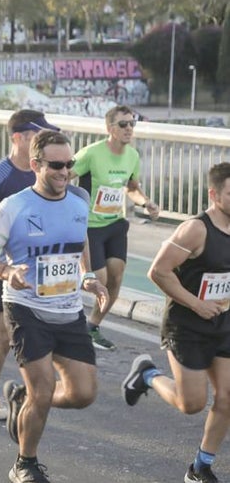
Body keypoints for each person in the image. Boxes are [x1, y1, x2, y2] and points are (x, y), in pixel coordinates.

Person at [0, 130, 108, 483]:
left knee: (83, 393)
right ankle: (25, 463)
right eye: (56, 165)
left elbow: (79, 241)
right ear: (35, 165)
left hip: (69, 310)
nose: (65, 172)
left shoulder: (79, 201)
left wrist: (88, 277)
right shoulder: (14, 207)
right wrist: (7, 272)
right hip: (26, 308)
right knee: (44, 390)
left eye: (69, 164)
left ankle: (22, 399)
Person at [126, 162, 230, 483]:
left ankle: (201, 467)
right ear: (214, 194)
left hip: (223, 324)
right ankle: (147, 375)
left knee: (228, 397)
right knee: (192, 403)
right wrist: (196, 304)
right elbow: (159, 271)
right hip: (187, 326)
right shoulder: (195, 230)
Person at [0, 110, 62, 420]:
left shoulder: (43, 172)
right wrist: (4, 243)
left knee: (37, 328)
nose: (44, 140)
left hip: (30, 269)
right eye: (38, 135)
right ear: (19, 138)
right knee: (5, 338)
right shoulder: (0, 174)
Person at [72, 104, 159, 350]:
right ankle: (65, 292)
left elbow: (131, 187)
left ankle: (92, 326)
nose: (129, 128)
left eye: (132, 123)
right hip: (89, 226)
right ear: (110, 128)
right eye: (123, 124)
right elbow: (63, 176)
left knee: (116, 276)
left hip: (115, 224)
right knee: (99, 278)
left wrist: (146, 202)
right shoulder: (91, 154)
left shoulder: (133, 156)